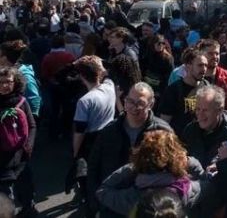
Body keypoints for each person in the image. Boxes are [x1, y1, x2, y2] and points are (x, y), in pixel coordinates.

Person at [87, 82, 172, 217]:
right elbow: (93, 168)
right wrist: (95, 204)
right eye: (130, 101)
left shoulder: (163, 132)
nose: (133, 107)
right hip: (111, 205)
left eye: (140, 103)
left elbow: (174, 168)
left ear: (151, 104)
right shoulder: (109, 131)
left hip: (147, 208)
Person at [96, 130, 204, 216]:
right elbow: (206, 179)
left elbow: (102, 191)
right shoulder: (190, 190)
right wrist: (188, 161)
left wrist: (133, 167)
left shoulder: (132, 197)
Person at [71, 55, 116, 205]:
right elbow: (107, 74)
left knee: (89, 174)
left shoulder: (85, 101)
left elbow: (79, 131)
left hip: (90, 141)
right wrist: (98, 65)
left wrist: (75, 152)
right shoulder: (109, 86)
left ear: (81, 76)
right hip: (108, 135)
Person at [0, 67, 36, 215]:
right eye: (0, 82)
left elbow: (32, 125)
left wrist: (29, 147)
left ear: (15, 82)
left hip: (21, 157)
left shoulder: (21, 101)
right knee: (6, 198)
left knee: (26, 191)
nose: (4, 86)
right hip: (2, 161)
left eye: (8, 82)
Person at [180, 85, 227, 168]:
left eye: (205, 110)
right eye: (198, 109)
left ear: (220, 110)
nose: (200, 115)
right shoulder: (190, 130)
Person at [159, 48, 209, 136]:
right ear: (188, 66)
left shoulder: (208, 87)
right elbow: (164, 123)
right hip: (180, 142)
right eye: (200, 65)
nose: (204, 69)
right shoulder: (173, 90)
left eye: (205, 65)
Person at [197, 39, 227, 112]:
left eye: (217, 53)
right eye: (210, 53)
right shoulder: (194, 76)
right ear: (201, 55)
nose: (215, 57)